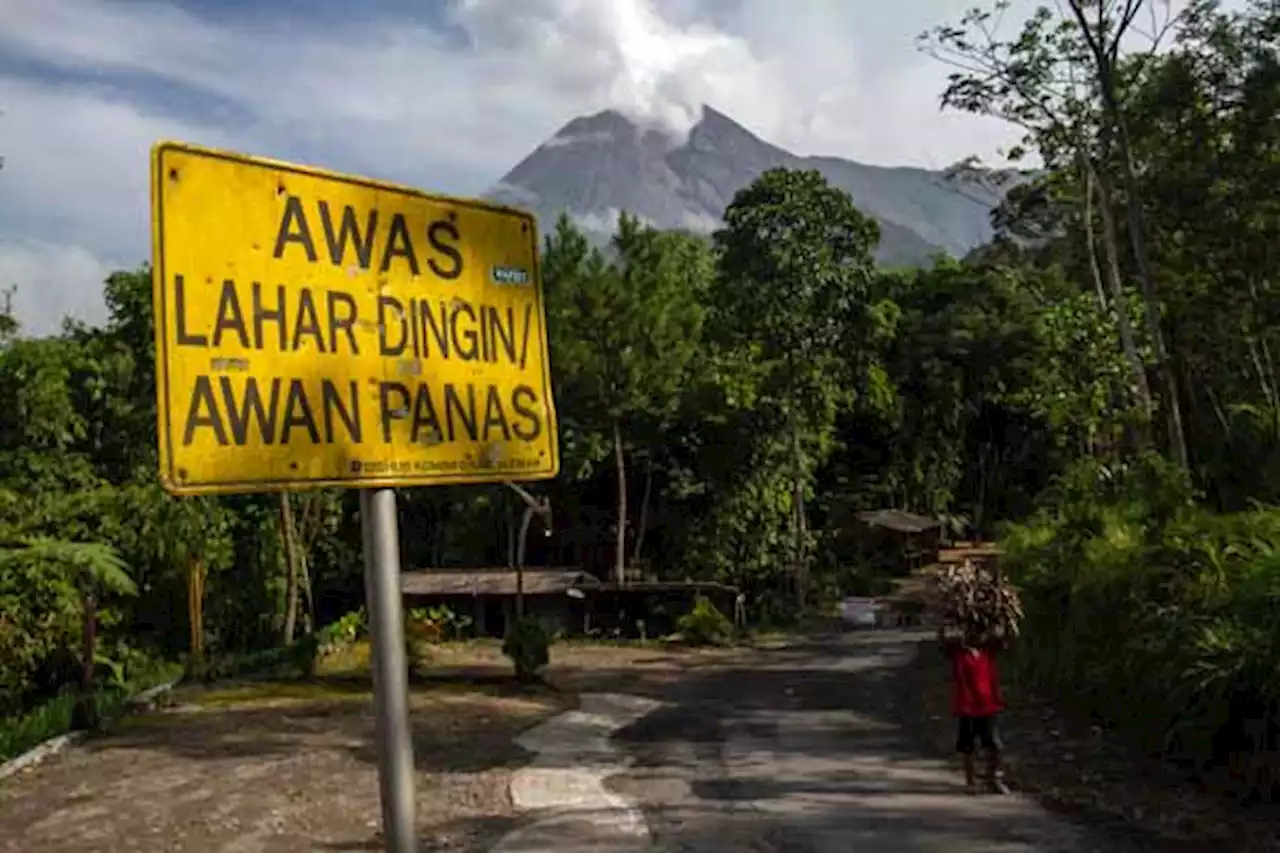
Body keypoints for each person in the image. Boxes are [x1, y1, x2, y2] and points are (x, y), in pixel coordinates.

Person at [938, 624, 1010, 795]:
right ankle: (970, 782)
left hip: (988, 706)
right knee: (968, 747)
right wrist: (944, 628)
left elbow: (1005, 640)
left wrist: (1002, 624)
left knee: (994, 745)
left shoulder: (988, 652)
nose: (977, 636)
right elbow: (943, 644)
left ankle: (993, 779)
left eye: (979, 632)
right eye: (973, 633)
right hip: (967, 707)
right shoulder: (959, 654)